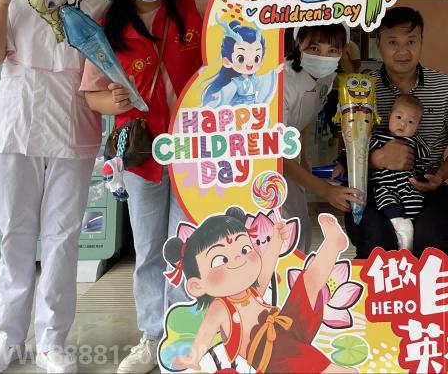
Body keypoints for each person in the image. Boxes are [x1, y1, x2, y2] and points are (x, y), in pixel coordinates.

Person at [0, 0, 107, 374]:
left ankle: (52, 340)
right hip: (16, 127)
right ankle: (9, 337)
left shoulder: (99, 7)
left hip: (73, 127)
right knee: (15, 234)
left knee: (63, 238)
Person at [80, 0, 217, 374]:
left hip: (195, 149)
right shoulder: (108, 25)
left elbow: (247, 19)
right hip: (141, 151)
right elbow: (92, 94)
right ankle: (152, 335)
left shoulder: (195, 9)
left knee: (188, 245)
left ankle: (184, 337)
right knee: (149, 247)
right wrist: (112, 101)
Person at [164, 210, 357, 373]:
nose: (239, 258)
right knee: (301, 357)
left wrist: (276, 241)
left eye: (244, 249)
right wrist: (193, 357)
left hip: (286, 323)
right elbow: (205, 334)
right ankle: (336, 370)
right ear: (197, 285)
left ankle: (333, 245)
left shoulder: (252, 291)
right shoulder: (220, 307)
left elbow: (266, 269)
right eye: (221, 259)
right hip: (270, 354)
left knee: (307, 282)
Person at [344, 6, 448, 259]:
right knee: (377, 249)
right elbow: (345, 150)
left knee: (433, 250)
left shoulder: (447, 88)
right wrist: (377, 159)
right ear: (379, 43)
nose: (403, 51)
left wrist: (440, 176)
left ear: (421, 41)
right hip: (374, 188)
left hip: (426, 187)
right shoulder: (361, 90)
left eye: (411, 41)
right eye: (393, 42)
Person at [281, 24, 363, 254]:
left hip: (290, 155)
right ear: (299, 44)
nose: (323, 57)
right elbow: (274, 156)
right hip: (265, 162)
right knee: (284, 235)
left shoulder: (327, 76)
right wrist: (325, 190)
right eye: (314, 48)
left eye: (332, 50)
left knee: (300, 230)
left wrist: (304, 157)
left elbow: (306, 116)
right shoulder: (283, 82)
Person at [334, 95, 430, 251]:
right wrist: (341, 164)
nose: (403, 124)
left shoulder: (417, 143)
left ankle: (405, 232)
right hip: (384, 185)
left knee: (414, 203)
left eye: (410, 122)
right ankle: (401, 227)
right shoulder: (376, 137)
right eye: (398, 117)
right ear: (389, 115)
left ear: (418, 125)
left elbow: (424, 163)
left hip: (408, 185)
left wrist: (425, 175)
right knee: (385, 199)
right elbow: (355, 151)